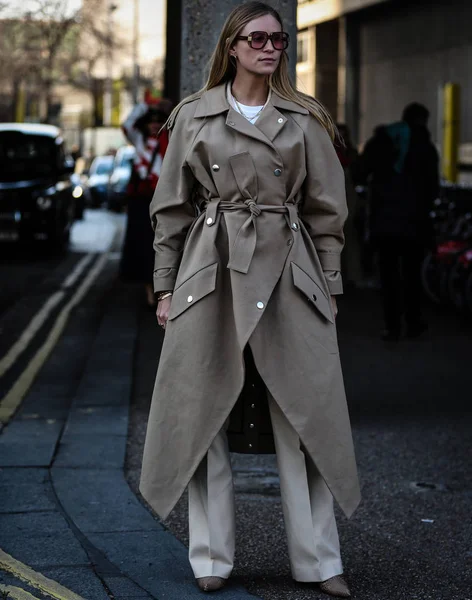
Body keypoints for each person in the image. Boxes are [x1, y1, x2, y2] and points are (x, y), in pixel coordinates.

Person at [140, 2, 360, 597]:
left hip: (290, 272)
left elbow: (326, 213)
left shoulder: (306, 118)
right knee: (205, 410)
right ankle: (210, 558)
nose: (270, 48)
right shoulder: (193, 116)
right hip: (210, 272)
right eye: (257, 39)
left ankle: (319, 560)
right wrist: (164, 285)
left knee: (302, 413)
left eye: (279, 40)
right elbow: (170, 210)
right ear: (232, 47)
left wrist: (330, 286)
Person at [355, 103, 439, 340]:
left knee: (389, 274)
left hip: (384, 219)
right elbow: (433, 187)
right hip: (415, 221)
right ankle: (413, 322)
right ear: (422, 120)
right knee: (412, 273)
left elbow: (360, 172)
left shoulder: (381, 141)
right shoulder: (425, 147)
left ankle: (392, 327)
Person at [120, 99, 172, 307]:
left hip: (161, 199)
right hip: (141, 203)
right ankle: (149, 291)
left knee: (160, 246)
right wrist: (145, 104)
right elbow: (127, 124)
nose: (153, 125)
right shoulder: (139, 141)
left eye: (158, 121)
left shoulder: (168, 142)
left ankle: (161, 290)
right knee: (142, 246)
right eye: (150, 121)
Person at [335, 124, 363, 287]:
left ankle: (350, 275)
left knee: (349, 237)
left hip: (346, 199)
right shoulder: (328, 152)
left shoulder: (348, 154)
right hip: (337, 200)